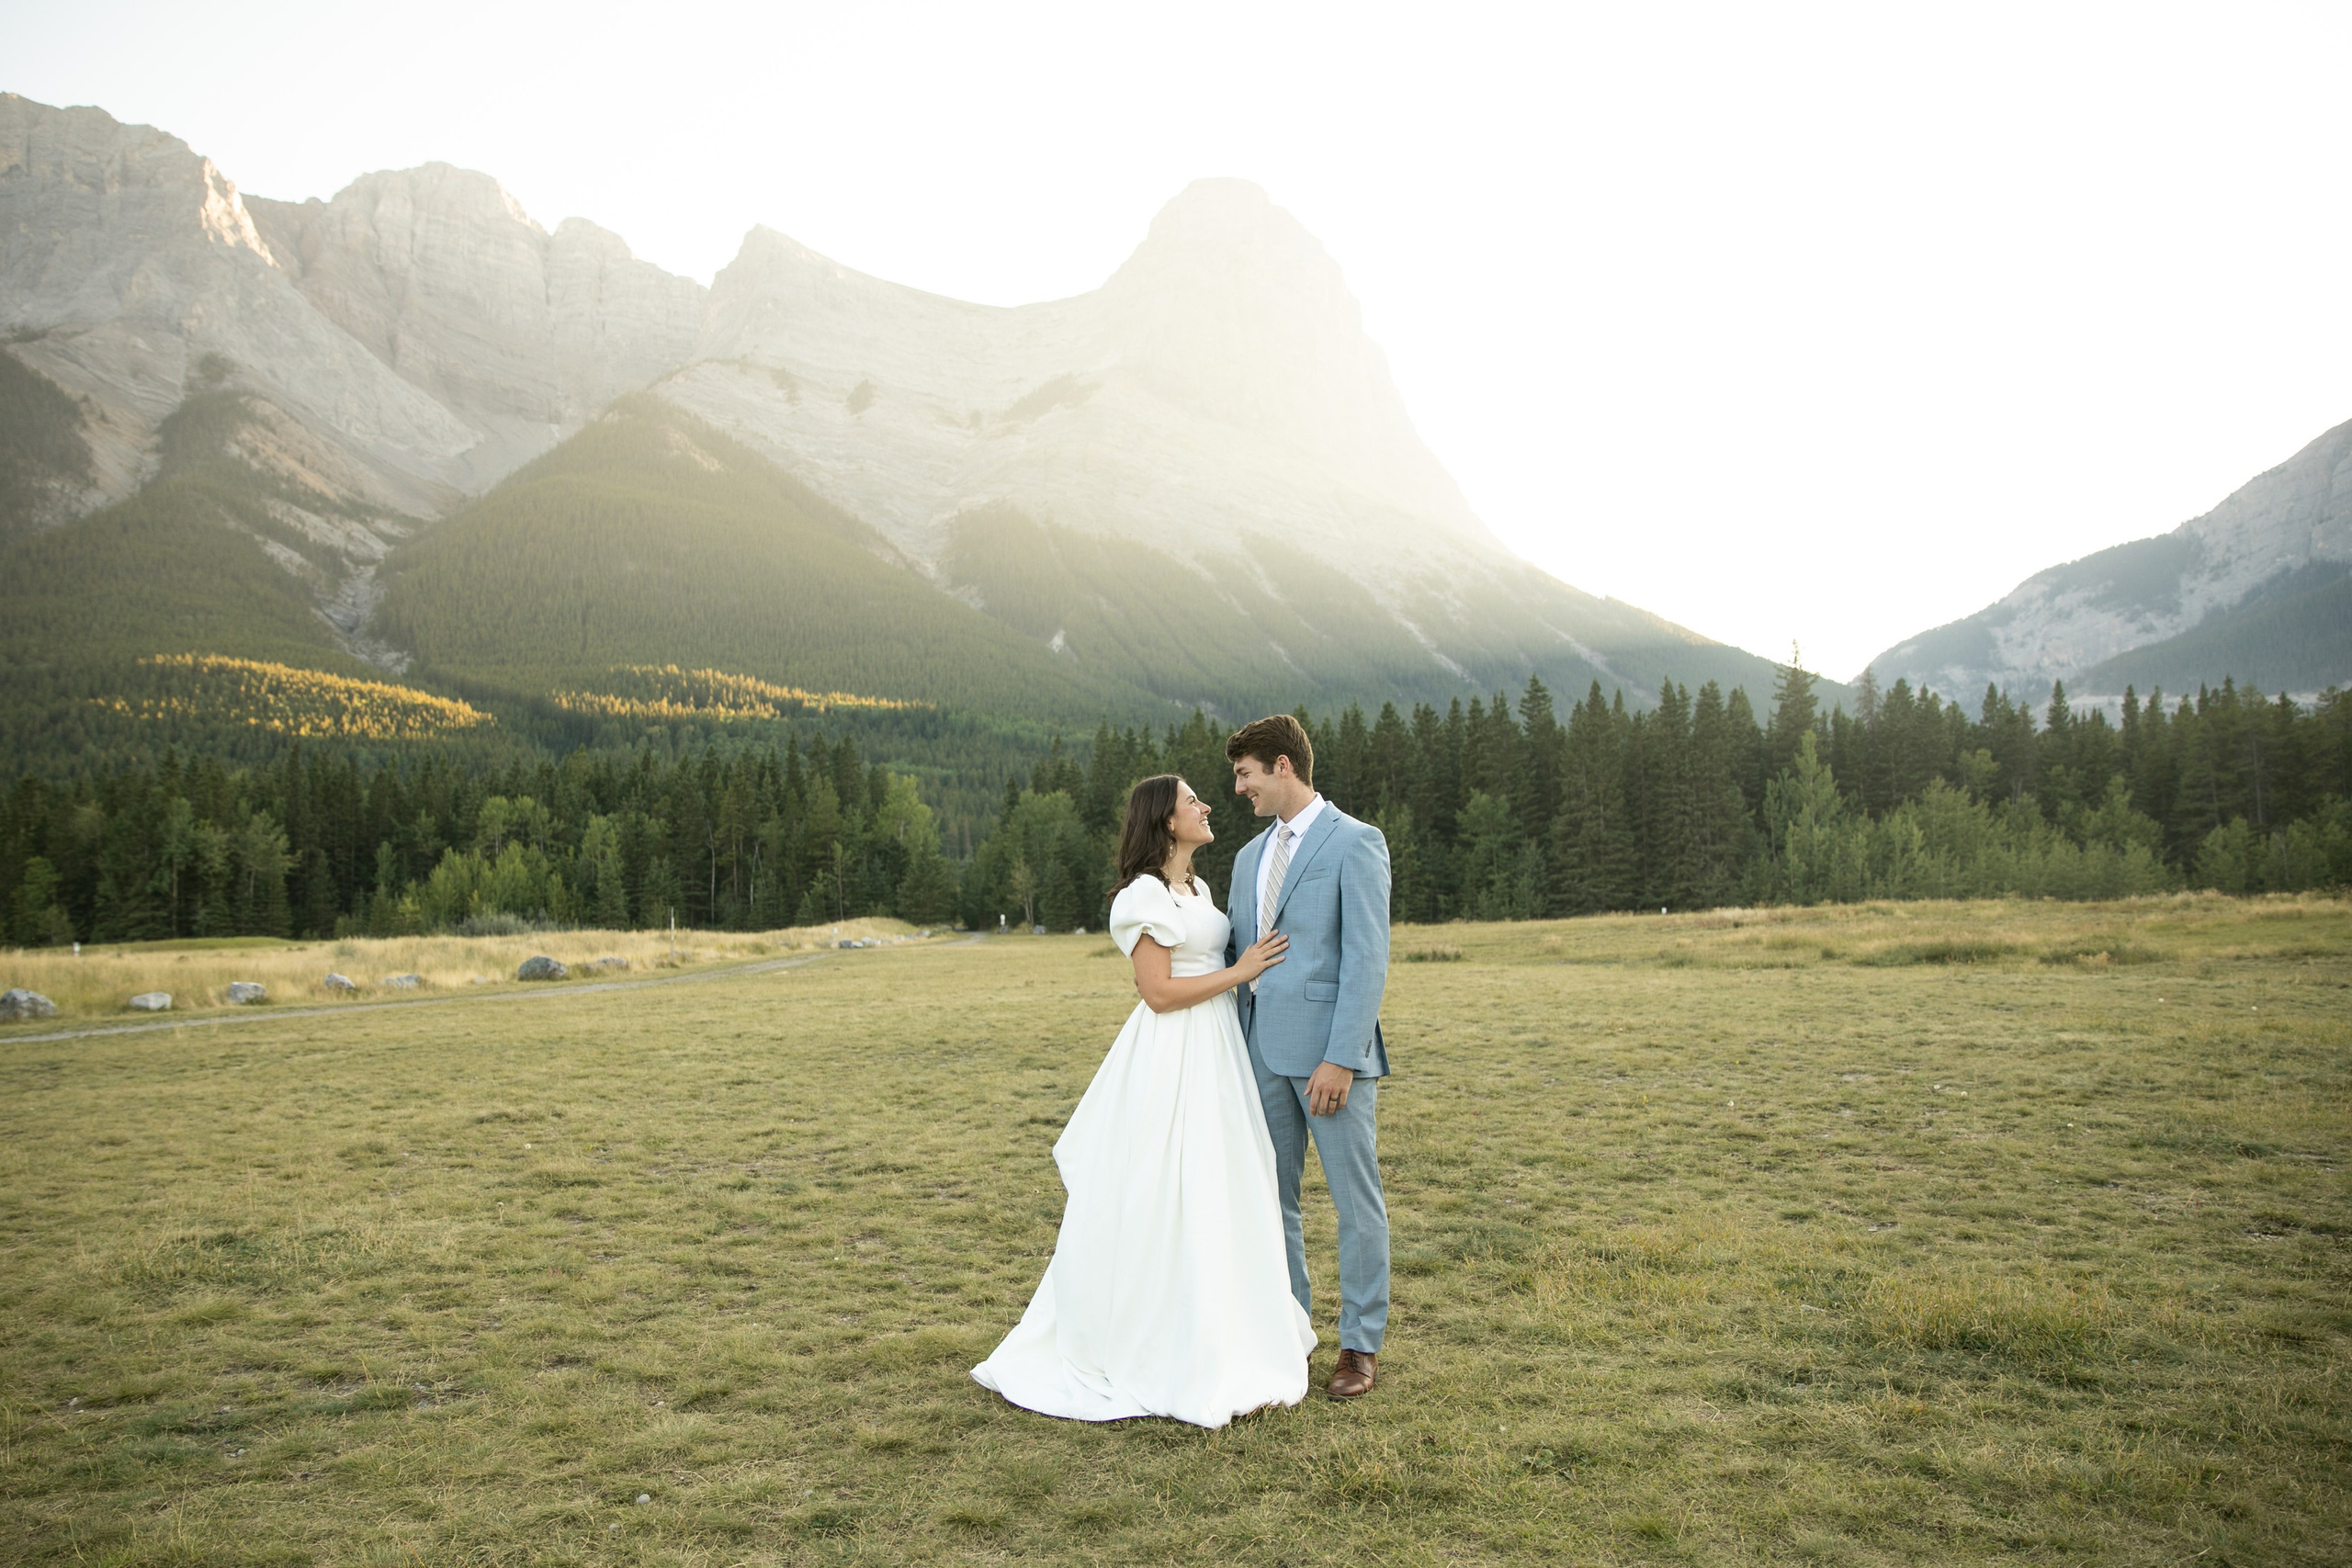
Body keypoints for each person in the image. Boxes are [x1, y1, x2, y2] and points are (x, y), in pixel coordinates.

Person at [970, 774, 1316, 1427]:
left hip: (1217, 1048)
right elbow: (1156, 992)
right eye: (1192, 801)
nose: (1206, 806)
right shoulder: (1144, 895)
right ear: (1165, 821)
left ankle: (1223, 1325)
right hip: (1173, 1049)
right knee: (1164, 1183)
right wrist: (1240, 972)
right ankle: (1152, 1335)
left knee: (1220, 1181)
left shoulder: (1197, 889)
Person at [1223, 714, 1393, 1400]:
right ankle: (1289, 1333)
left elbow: (1366, 957)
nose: (1239, 788)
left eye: (1246, 775)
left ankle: (1360, 1344)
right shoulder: (1246, 858)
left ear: (1283, 766)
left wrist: (1342, 1057)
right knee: (1273, 1201)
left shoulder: (1356, 841)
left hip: (1329, 1059)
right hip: (1258, 1054)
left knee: (1355, 1202)